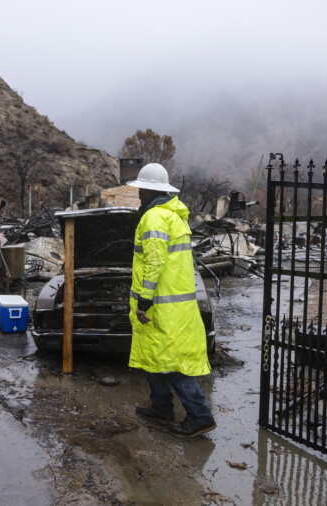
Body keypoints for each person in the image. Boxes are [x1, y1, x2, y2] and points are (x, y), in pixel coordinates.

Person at [127, 163, 216, 438]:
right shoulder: (172, 216)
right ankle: (161, 407)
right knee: (156, 357)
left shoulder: (154, 218)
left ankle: (200, 417)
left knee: (172, 362)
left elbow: (154, 262)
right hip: (172, 304)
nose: (139, 193)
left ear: (148, 190)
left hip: (161, 304)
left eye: (141, 188)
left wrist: (144, 301)